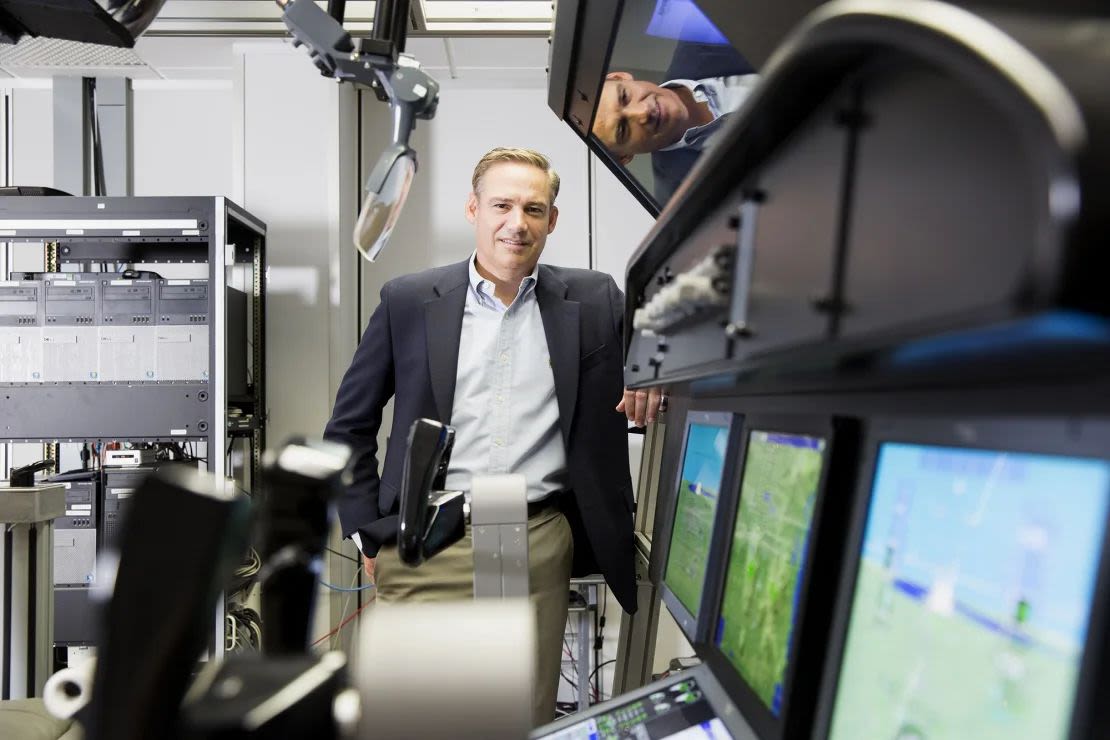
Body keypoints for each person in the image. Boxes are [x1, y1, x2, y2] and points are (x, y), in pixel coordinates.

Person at [323, 147, 661, 724]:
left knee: (515, 717)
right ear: (473, 209)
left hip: (536, 535)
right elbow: (348, 426)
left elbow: (661, 357)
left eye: (534, 208)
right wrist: (365, 533)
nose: (517, 223)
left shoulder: (597, 299)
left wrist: (656, 376)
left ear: (552, 221)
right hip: (425, 535)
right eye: (502, 205)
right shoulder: (408, 301)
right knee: (409, 718)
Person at [592, 41, 757, 203]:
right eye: (622, 129)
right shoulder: (686, 200)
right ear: (624, 157)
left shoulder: (701, 33)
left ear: (620, 77)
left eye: (624, 97)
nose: (643, 111)